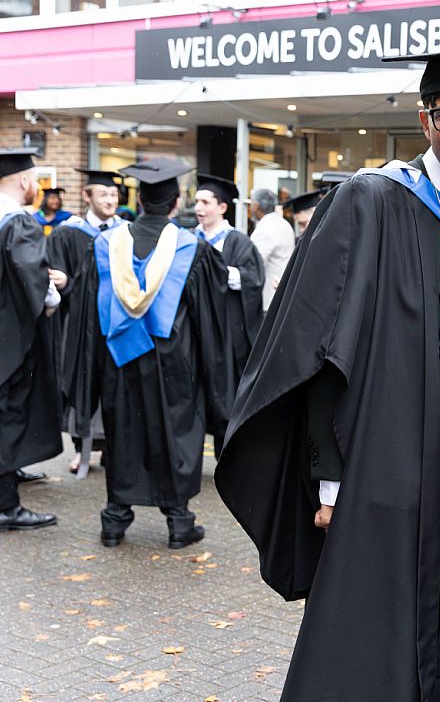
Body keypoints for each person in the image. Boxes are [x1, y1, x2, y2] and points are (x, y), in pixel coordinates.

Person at [216, 46, 440, 702]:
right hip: (379, 475)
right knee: (365, 652)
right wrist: (330, 478)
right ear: (425, 121)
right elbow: (319, 349)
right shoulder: (367, 202)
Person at [71, 157, 228, 548]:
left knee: (123, 432)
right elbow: (210, 321)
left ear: (139, 199)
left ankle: (115, 519)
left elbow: (88, 318)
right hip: (175, 365)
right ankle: (179, 522)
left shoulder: (106, 246)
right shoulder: (193, 249)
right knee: (174, 433)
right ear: (176, 203)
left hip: (119, 362)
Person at [0, 148, 62, 531]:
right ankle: (6, 505)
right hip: (10, 341)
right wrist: (52, 297)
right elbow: (31, 275)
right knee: (9, 417)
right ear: (24, 181)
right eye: (36, 179)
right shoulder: (18, 222)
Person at [48, 168, 125, 476]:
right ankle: (82, 450)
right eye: (104, 194)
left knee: (115, 386)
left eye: (114, 194)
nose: (110, 200)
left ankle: (112, 449)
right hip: (79, 325)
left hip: (115, 323)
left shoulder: (125, 232)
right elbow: (55, 276)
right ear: (87, 196)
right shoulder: (68, 232)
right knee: (82, 382)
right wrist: (65, 282)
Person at [193, 173, 265, 454]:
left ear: (222, 208)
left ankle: (227, 451)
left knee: (227, 394)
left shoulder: (239, 242)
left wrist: (220, 273)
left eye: (205, 202)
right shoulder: (189, 239)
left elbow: (253, 280)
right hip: (198, 330)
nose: (198, 207)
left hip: (227, 334)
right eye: (197, 201)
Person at [249, 187, 295, 311]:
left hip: (268, 300)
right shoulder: (284, 224)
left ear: (256, 205)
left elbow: (253, 265)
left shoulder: (265, 230)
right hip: (281, 296)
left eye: (251, 203)